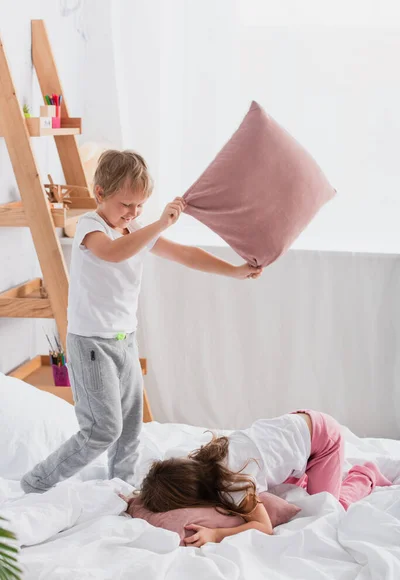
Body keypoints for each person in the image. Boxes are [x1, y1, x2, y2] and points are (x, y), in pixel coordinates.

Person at [20, 149, 263, 494]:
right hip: (91, 344)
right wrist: (159, 223)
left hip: (125, 341)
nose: (133, 213)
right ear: (100, 194)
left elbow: (185, 254)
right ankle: (35, 483)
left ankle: (119, 488)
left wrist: (235, 271)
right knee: (101, 430)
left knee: (131, 428)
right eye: (126, 205)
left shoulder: (134, 228)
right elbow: (115, 253)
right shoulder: (92, 227)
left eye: (140, 206)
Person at [130, 410, 392, 547]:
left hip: (323, 439)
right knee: (284, 481)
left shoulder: (232, 484)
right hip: (296, 423)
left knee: (330, 507)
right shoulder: (199, 460)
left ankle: (365, 474)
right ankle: (305, 473)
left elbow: (263, 527)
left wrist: (217, 533)